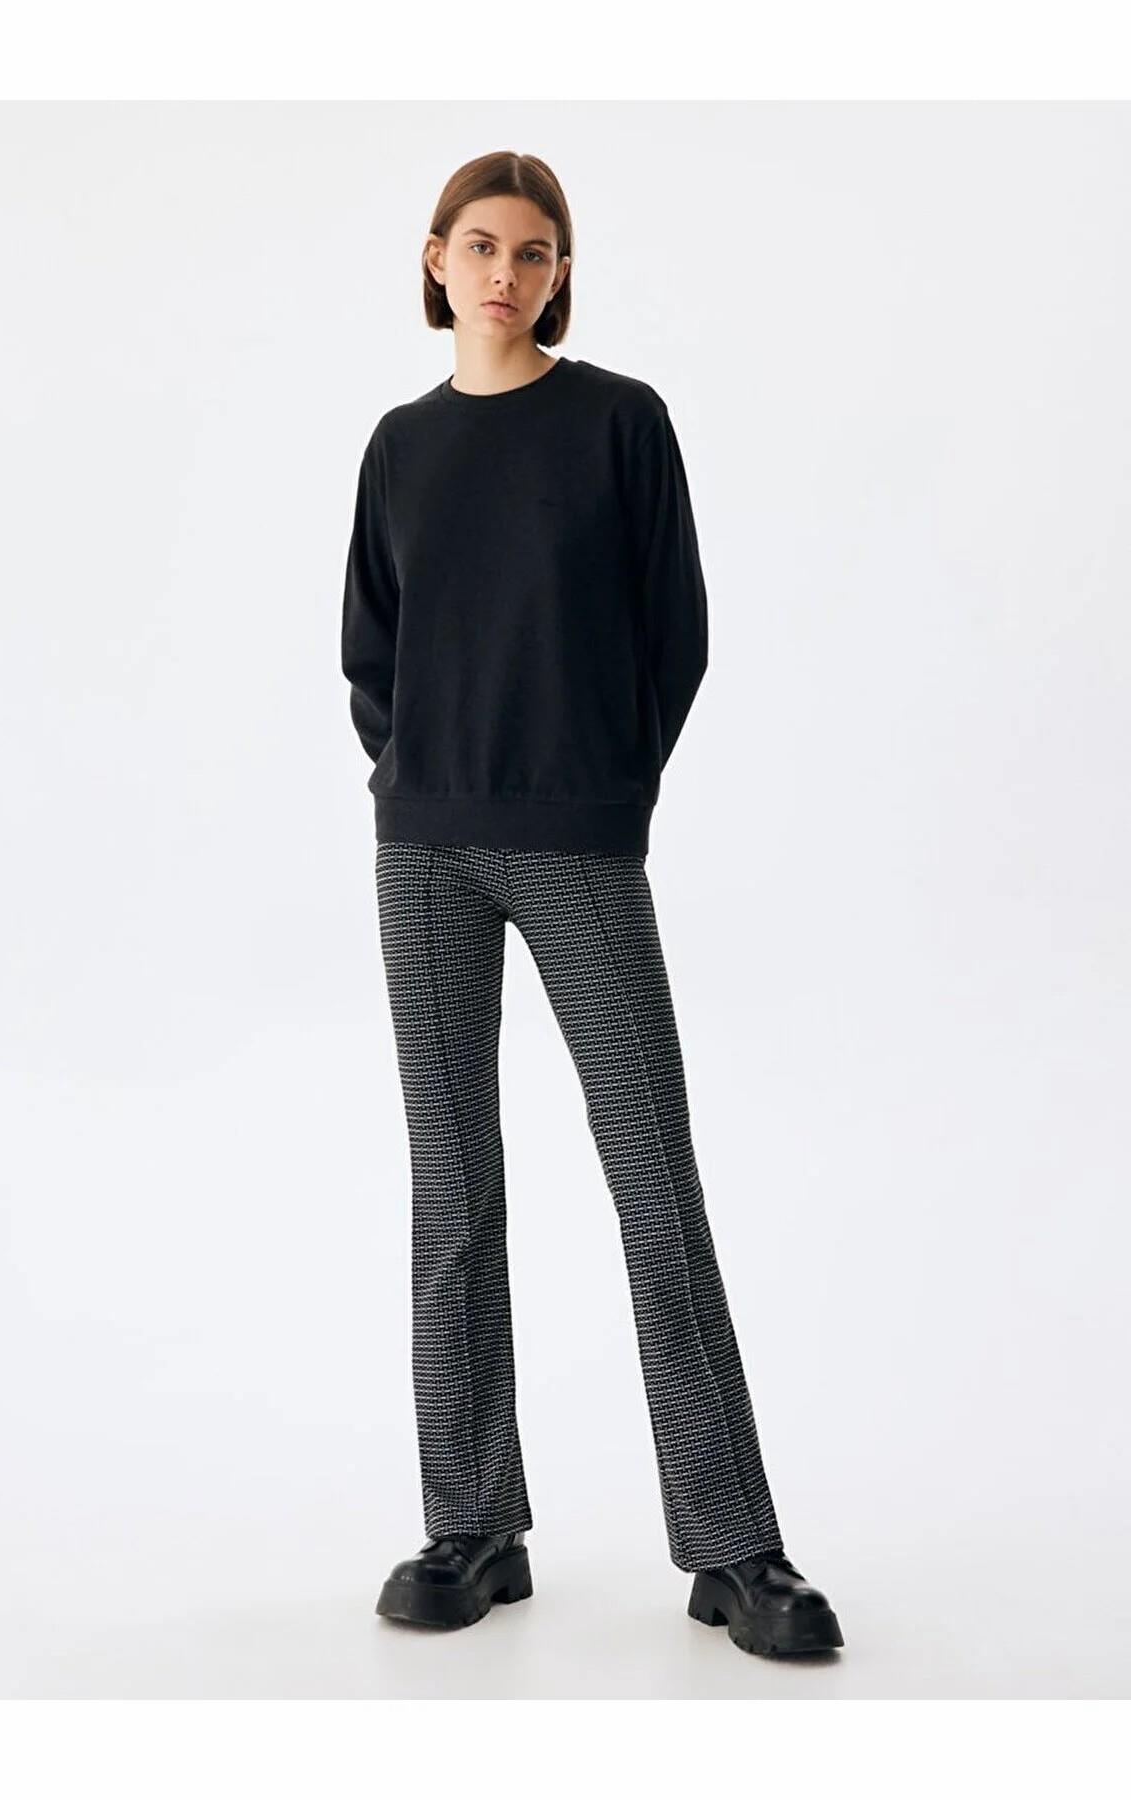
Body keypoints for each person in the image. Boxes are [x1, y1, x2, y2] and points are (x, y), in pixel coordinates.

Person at [340, 150, 844, 1658]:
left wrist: (601, 784)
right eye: (482, 246)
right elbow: (371, 648)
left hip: (577, 843)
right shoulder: (398, 446)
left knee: (653, 1183)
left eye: (535, 252)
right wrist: (416, 771)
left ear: (562, 273)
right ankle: (473, 1525)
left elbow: (674, 632)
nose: (506, 274)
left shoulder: (621, 422)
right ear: (435, 259)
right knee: (452, 1191)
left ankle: (734, 1548)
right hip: (424, 851)